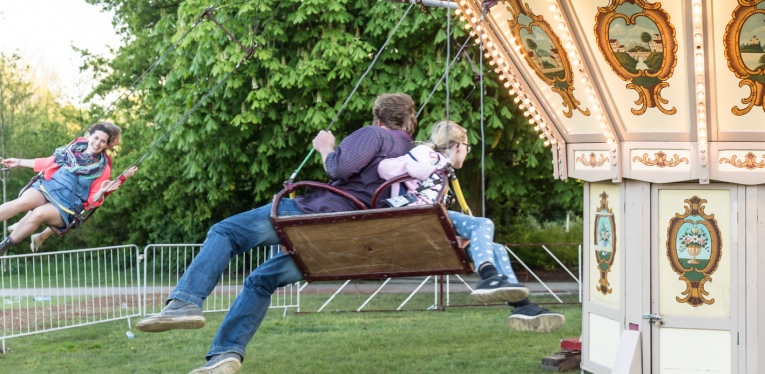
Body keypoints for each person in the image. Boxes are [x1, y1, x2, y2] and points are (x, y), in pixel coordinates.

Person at [135, 93, 418, 374]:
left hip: (322, 219)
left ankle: (185, 302)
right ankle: (225, 355)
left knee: (226, 232)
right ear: (407, 120)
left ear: (378, 118)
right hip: (349, 243)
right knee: (260, 281)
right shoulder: (412, 152)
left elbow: (338, 167)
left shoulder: (375, 135)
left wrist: (325, 146)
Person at [377, 120, 565, 333]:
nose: (467, 152)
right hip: (418, 219)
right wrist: (424, 169)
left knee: (497, 248)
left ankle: (523, 307)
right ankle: (489, 275)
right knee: (483, 224)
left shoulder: (441, 166)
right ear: (459, 146)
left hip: (431, 221)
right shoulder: (427, 156)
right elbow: (384, 167)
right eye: (468, 148)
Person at [8, 122, 138, 252]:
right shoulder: (80, 144)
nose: (117, 143)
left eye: (102, 141)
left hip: (69, 200)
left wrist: (123, 177)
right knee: (32, 201)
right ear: (111, 140)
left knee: (45, 211)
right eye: (117, 140)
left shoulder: (103, 162)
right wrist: (20, 162)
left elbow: (104, 189)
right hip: (53, 184)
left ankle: (36, 234)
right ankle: (31, 230)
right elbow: (56, 159)